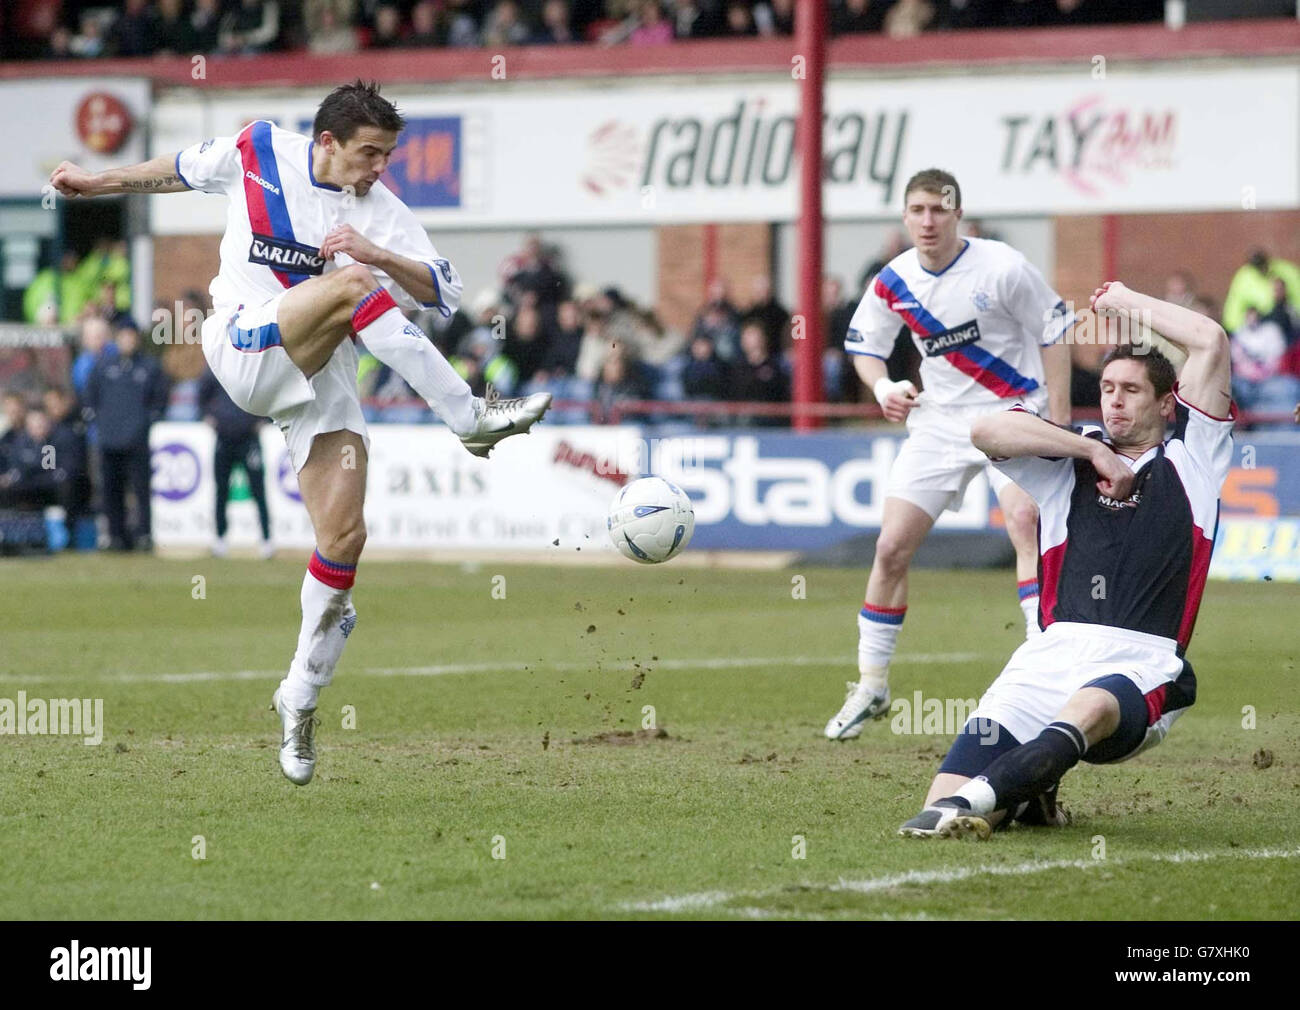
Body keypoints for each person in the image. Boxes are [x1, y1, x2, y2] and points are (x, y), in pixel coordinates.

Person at [50, 80, 551, 786]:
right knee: (349, 291)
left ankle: (299, 696)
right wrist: (96, 181)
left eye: (387, 155)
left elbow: (446, 289)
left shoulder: (380, 209)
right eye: (369, 153)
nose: (379, 168)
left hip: (321, 373)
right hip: (243, 343)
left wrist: (378, 253)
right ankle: (468, 416)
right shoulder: (257, 151)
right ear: (326, 141)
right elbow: (173, 171)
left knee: (344, 538)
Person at [899, 282, 1233, 838]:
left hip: (1139, 664)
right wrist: (1093, 449)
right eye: (1106, 388)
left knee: (1088, 709)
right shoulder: (1070, 457)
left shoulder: (1194, 457)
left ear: (1166, 402)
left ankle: (973, 801)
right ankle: (1021, 800)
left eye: (1130, 389)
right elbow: (985, 429)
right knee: (962, 796)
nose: (1115, 400)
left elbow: (1210, 341)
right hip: (1048, 657)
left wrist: (1122, 298)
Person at [824, 168, 1073, 740]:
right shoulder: (893, 280)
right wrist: (883, 387)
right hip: (937, 423)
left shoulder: (1002, 267)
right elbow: (865, 347)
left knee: (1025, 519)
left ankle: (1044, 666)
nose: (928, 221)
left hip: (1012, 409)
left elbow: (1057, 326)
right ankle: (871, 686)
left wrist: (1056, 415)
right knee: (890, 547)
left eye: (939, 209)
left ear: (958, 213)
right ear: (905, 216)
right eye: (918, 210)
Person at [84, 322, 168, 551]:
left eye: (131, 336)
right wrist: (99, 422)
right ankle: (115, 536)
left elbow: (160, 400)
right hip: (109, 440)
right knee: (111, 489)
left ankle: (143, 535)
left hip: (137, 441)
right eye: (123, 336)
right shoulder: (103, 366)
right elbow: (90, 398)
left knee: (140, 490)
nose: (128, 341)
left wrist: (145, 422)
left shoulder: (149, 367)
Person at [199, 366, 274, 559]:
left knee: (258, 490)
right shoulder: (216, 365)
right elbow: (202, 396)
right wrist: (209, 416)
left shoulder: (255, 363)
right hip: (223, 438)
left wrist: (263, 419)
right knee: (221, 489)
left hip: (249, 439)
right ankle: (220, 539)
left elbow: (269, 391)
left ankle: (266, 540)